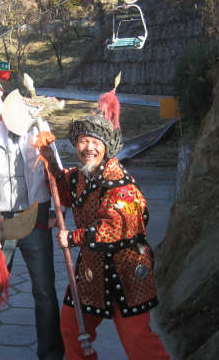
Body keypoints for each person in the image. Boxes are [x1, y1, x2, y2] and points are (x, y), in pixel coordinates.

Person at [46, 90, 170, 360]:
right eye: (82, 141)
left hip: (126, 269)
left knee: (137, 341)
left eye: (94, 141)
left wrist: (73, 237)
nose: (88, 147)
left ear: (106, 146)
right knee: (72, 327)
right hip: (92, 269)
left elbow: (114, 227)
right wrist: (46, 155)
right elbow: (64, 188)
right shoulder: (81, 176)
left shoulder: (120, 182)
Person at [0, 71, 64, 360]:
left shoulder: (29, 121)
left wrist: (58, 209)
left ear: (1, 91)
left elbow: (52, 165)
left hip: (35, 213)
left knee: (44, 287)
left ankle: (51, 350)